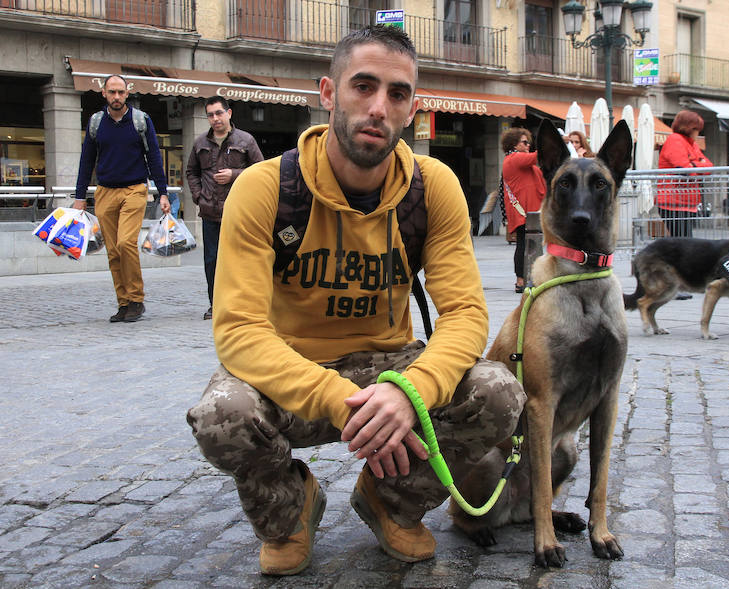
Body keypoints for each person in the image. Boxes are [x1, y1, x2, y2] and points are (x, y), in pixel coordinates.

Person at [185, 25, 524, 576]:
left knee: (498, 394)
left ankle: (390, 500)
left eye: (396, 93)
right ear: (327, 93)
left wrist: (409, 392)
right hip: (292, 369)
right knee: (224, 415)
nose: (378, 107)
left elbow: (464, 314)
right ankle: (290, 511)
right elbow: (239, 331)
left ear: (412, 108)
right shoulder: (264, 188)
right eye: (362, 86)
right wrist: (344, 399)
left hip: (391, 364)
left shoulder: (432, 186)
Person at [73, 74, 170, 323]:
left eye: (121, 92)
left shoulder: (140, 120)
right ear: (103, 93)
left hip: (135, 189)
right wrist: (80, 196)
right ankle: (123, 303)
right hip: (105, 191)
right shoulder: (96, 123)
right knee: (114, 251)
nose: (117, 97)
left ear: (127, 94)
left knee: (126, 242)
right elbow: (86, 161)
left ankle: (136, 299)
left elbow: (154, 158)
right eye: (112, 92)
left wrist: (162, 192)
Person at [185, 96, 264, 320]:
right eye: (210, 115)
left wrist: (234, 174)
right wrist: (199, 196)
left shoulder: (246, 140)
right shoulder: (200, 142)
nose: (215, 118)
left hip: (238, 210)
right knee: (212, 261)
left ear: (228, 113)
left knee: (241, 260)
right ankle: (216, 305)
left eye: (219, 113)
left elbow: (261, 170)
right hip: (210, 211)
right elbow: (191, 171)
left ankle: (242, 305)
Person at [500, 126, 546, 292]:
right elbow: (538, 156)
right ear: (514, 144)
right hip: (523, 211)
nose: (528, 146)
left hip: (530, 210)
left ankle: (528, 277)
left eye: (529, 143)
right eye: (525, 142)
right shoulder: (514, 158)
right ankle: (521, 280)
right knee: (523, 244)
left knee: (529, 244)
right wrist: (554, 143)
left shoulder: (520, 161)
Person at [656, 109, 713, 238]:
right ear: (689, 128)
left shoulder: (691, 143)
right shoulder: (675, 140)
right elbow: (684, 169)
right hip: (673, 202)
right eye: (696, 129)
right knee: (683, 242)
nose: (698, 133)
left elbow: (709, 167)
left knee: (683, 241)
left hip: (685, 202)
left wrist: (693, 165)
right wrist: (697, 165)